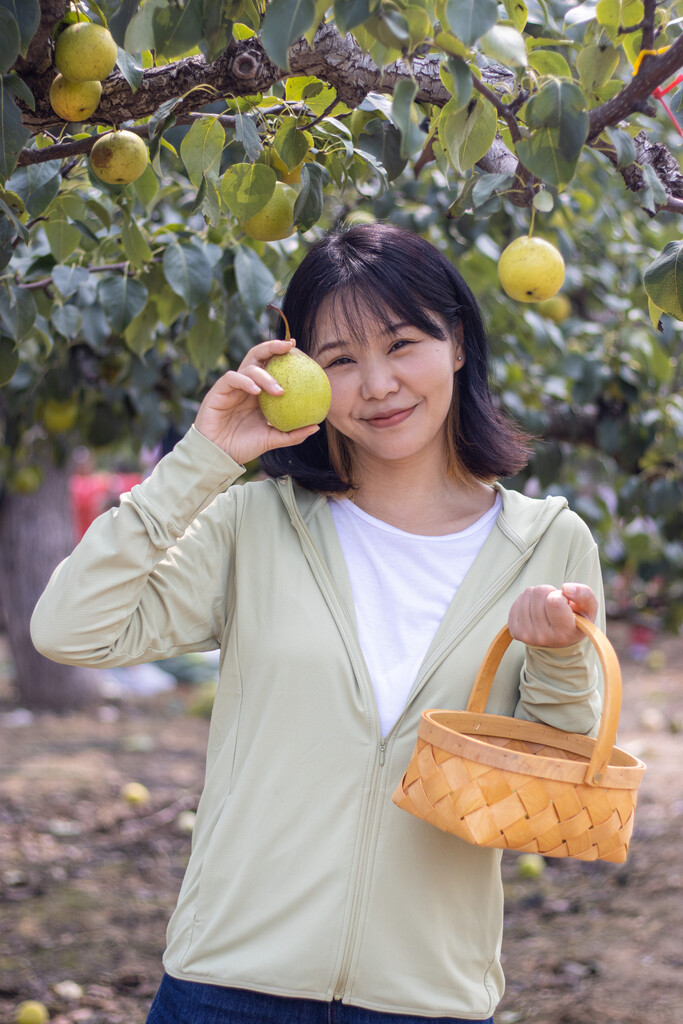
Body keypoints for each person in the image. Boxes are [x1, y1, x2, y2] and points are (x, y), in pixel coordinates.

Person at [31, 224, 603, 1023]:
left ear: (458, 344)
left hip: (425, 998)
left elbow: (560, 759)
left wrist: (555, 659)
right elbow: (69, 627)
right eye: (338, 359)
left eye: (402, 344)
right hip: (226, 986)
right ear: (301, 371)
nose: (376, 384)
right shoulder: (255, 525)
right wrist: (206, 456)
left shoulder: (547, 541)